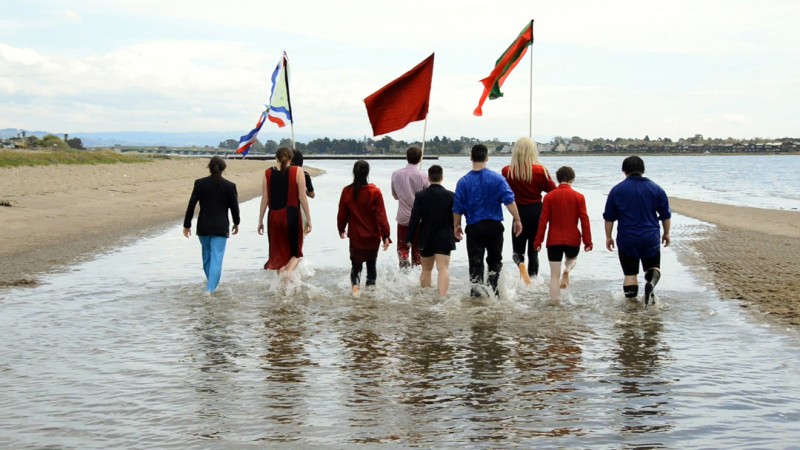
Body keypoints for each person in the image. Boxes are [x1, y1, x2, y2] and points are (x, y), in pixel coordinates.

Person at [453, 144, 523, 298]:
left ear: (471, 158)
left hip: (474, 228)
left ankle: (477, 297)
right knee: (495, 261)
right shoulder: (498, 179)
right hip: (494, 227)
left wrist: (456, 225)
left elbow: (457, 207)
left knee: (475, 264)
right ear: (487, 158)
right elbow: (509, 201)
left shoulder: (463, 182)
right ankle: (493, 293)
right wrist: (517, 220)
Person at [603, 155, 671, 305]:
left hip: (627, 238)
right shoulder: (656, 188)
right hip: (650, 236)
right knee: (653, 267)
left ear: (624, 171)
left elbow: (609, 217)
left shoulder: (617, 190)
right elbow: (665, 215)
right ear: (643, 170)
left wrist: (608, 237)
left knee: (630, 274)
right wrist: (666, 233)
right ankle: (651, 284)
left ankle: (632, 308)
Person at [502, 137, 557, 284]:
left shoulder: (508, 171)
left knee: (517, 251)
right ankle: (533, 281)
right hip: (537, 213)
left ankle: (521, 267)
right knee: (534, 251)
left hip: (518, 213)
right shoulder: (540, 171)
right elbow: (553, 191)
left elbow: (502, 192)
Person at [533, 166, 593, 302]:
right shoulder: (579, 197)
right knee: (572, 260)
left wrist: (538, 241)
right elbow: (585, 220)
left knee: (554, 275)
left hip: (553, 240)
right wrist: (588, 242)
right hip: (572, 239)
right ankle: (568, 269)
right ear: (572, 179)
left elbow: (543, 221)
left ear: (558, 179)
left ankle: (555, 304)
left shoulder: (548, 197)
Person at [183, 156, 240, 293]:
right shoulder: (229, 186)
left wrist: (187, 225)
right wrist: (236, 222)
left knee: (207, 258)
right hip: (220, 227)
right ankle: (211, 290)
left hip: (204, 226)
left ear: (209, 167)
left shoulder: (200, 184)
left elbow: (191, 205)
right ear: (223, 168)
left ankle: (211, 286)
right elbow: (234, 207)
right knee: (216, 258)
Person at [337, 160, 392, 297]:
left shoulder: (347, 191)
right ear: (367, 173)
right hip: (373, 236)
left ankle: (355, 293)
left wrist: (341, 228)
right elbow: (381, 217)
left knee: (356, 267)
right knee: (371, 265)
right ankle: (370, 297)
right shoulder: (375, 192)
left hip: (356, 236)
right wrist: (386, 235)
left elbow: (342, 214)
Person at [258, 147, 312, 277]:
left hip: (273, 218)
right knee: (296, 254)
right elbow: (302, 197)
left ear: (276, 158)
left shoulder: (268, 173)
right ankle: (288, 275)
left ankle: (282, 288)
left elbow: (265, 199)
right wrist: (309, 219)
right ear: (290, 158)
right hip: (291, 216)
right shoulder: (297, 171)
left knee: (279, 255)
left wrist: (260, 220)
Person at [405, 165, 456, 297]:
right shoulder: (451, 196)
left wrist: (409, 238)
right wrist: (456, 232)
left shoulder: (420, 196)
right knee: (443, 269)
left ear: (428, 178)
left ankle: (425, 297)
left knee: (426, 269)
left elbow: (414, 218)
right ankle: (443, 297)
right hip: (444, 236)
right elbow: (455, 217)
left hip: (426, 236)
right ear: (442, 178)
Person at [390, 146, 429, 269]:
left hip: (403, 217)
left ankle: (404, 271)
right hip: (419, 219)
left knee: (402, 248)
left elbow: (395, 196)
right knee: (417, 250)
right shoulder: (423, 176)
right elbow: (429, 197)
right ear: (420, 158)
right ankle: (416, 276)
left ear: (406, 157)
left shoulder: (395, 174)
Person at [291, 149, 314, 232]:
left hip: (282, 208)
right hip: (299, 208)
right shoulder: (305, 175)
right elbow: (312, 195)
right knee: (300, 238)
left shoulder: (282, 173)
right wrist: (304, 190)